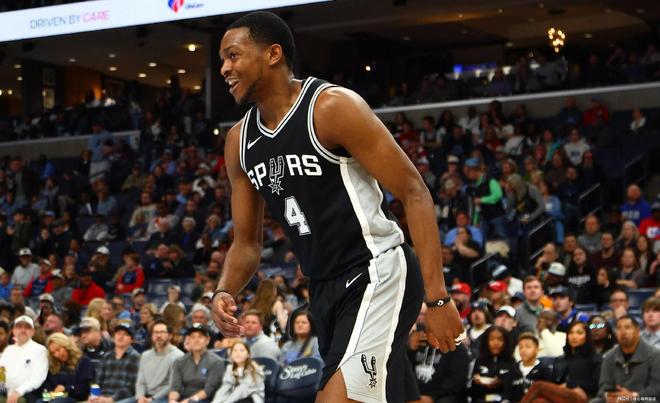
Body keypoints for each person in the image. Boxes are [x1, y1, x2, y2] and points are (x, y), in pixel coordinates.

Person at [212, 11, 462, 403]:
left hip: (375, 271)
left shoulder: (330, 107)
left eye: (233, 55)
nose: (224, 69)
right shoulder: (239, 141)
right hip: (323, 289)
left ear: (273, 54)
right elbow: (246, 243)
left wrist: (439, 299)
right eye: (222, 60)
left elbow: (414, 192)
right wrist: (223, 290)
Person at [522, 321, 602, 403]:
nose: (574, 336)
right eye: (571, 333)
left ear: (587, 336)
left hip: (582, 397)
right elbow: (554, 383)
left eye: (579, 333)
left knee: (538, 385)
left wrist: (570, 385)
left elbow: (598, 384)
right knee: (539, 401)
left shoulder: (594, 358)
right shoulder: (561, 359)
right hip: (560, 394)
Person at [592, 315, 660, 402]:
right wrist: (609, 396)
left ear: (638, 331)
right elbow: (604, 388)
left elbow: (656, 390)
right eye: (619, 328)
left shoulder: (655, 355)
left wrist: (633, 397)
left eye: (627, 327)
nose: (623, 332)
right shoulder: (609, 357)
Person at [169, 324, 225, 403]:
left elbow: (209, 389)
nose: (196, 340)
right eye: (193, 337)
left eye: (200, 337)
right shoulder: (180, 361)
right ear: (189, 340)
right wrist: (172, 400)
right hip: (183, 398)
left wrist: (187, 401)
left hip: (205, 400)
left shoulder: (217, 362)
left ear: (207, 340)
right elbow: (175, 387)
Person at [133, 320, 184, 403]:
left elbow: (172, 385)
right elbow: (141, 382)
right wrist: (140, 397)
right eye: (155, 332)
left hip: (164, 398)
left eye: (162, 332)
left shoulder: (178, 356)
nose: (158, 335)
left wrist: (152, 399)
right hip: (144, 397)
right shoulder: (145, 355)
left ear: (170, 336)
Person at [0, 316, 48, 403]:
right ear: (13, 331)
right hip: (5, 392)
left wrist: (18, 392)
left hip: (29, 394)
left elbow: (38, 378)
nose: (23, 330)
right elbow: (2, 374)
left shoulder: (40, 350)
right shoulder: (8, 350)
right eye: (19, 327)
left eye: (27, 327)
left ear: (33, 332)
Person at [92, 323, 141, 403]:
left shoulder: (136, 357)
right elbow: (98, 382)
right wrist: (94, 396)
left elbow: (132, 387)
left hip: (123, 399)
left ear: (132, 340)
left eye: (125, 334)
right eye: (118, 333)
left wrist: (112, 399)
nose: (120, 337)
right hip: (102, 398)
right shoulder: (106, 356)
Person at [40, 332, 95, 403]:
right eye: (53, 353)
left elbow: (84, 388)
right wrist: (49, 393)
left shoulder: (83, 362)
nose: (56, 355)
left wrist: (65, 388)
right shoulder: (54, 365)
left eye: (58, 350)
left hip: (76, 397)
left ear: (66, 346)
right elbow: (48, 386)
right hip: (56, 397)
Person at [469, 326, 514, 403]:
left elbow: (513, 389)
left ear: (506, 342)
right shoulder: (480, 360)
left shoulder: (511, 362)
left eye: (500, 339)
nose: (495, 343)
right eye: (491, 339)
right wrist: (476, 382)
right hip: (481, 399)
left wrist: (500, 383)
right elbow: (472, 390)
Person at [511, 333, 552, 402]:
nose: (523, 350)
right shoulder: (513, 369)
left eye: (528, 347)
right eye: (520, 347)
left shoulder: (545, 370)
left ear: (537, 349)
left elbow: (548, 394)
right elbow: (507, 393)